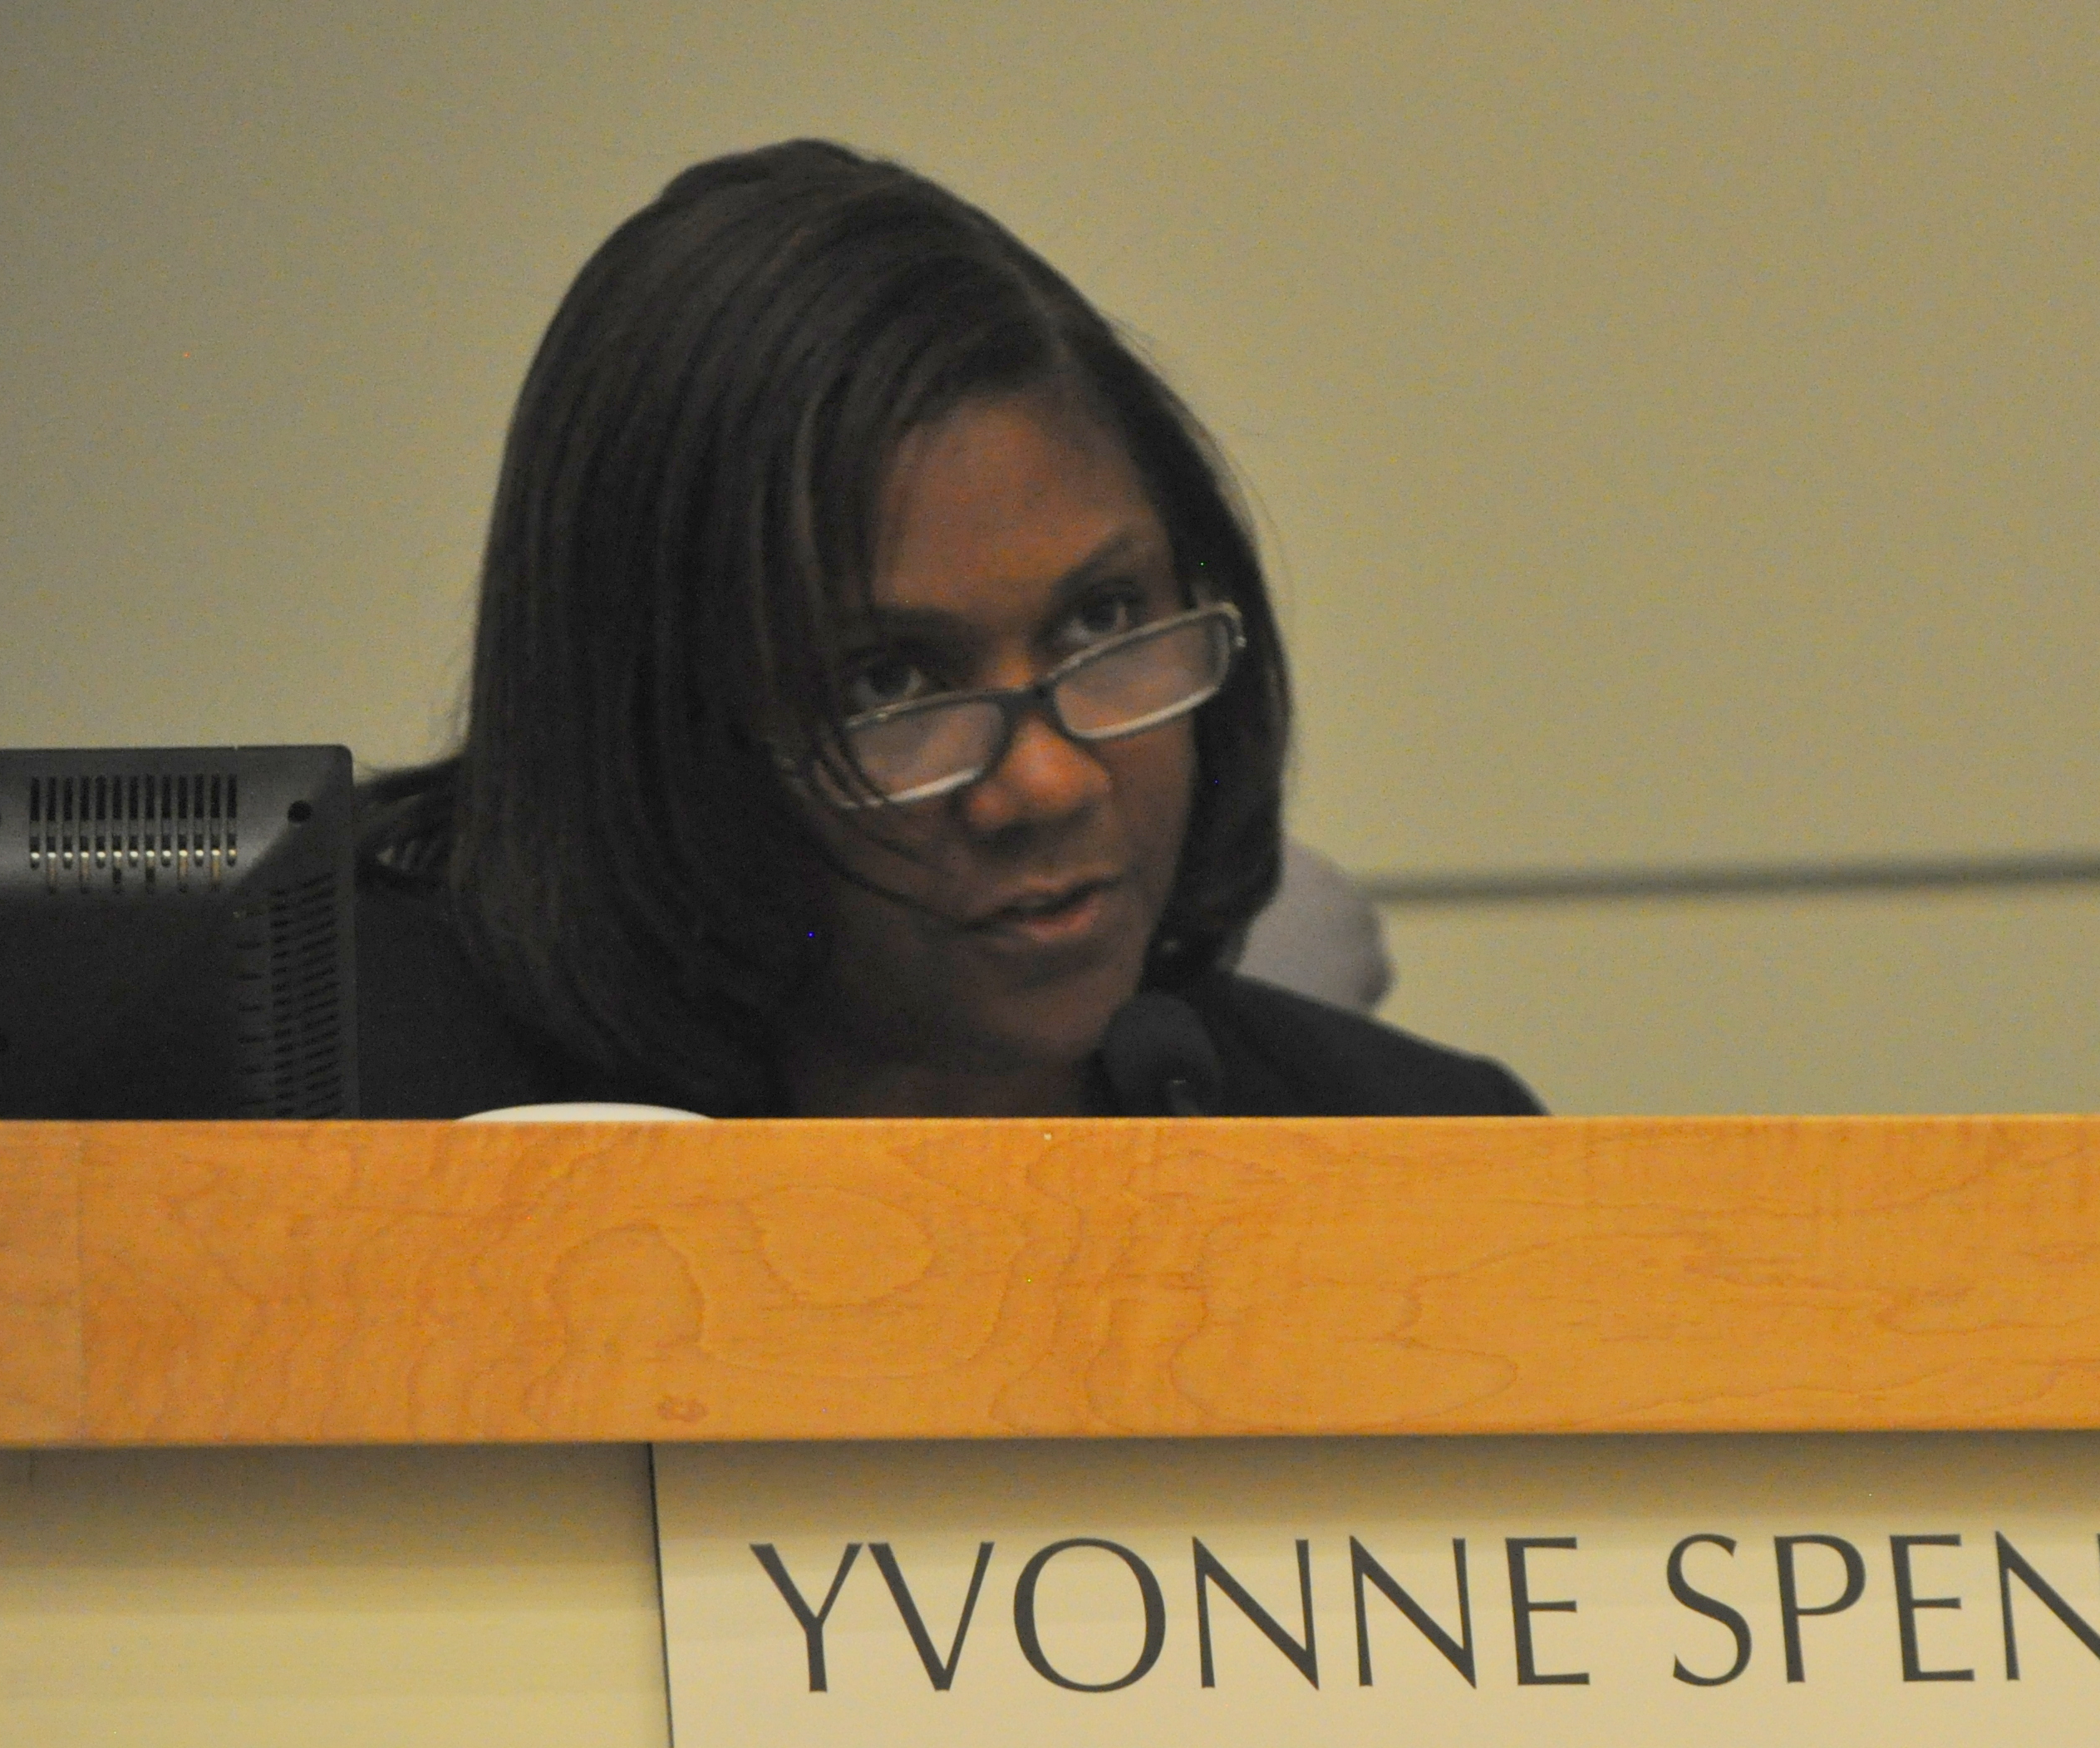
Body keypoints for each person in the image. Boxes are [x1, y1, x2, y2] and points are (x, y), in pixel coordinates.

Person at [359, 140, 1536, 1120]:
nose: (1049, 781)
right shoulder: (369, 1134)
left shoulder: (1433, 1155)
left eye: (1105, 617)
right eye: (886, 684)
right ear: (656, 739)